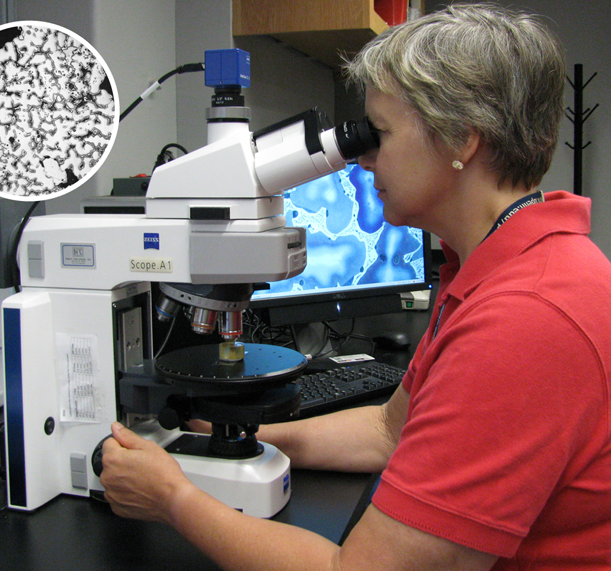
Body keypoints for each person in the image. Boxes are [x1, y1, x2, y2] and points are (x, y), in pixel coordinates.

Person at [99, 4, 611, 569]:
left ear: (463, 140)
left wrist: (172, 497)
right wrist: (241, 432)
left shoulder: (524, 320)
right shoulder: (507, 266)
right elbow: (390, 429)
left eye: (379, 134)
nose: (362, 160)